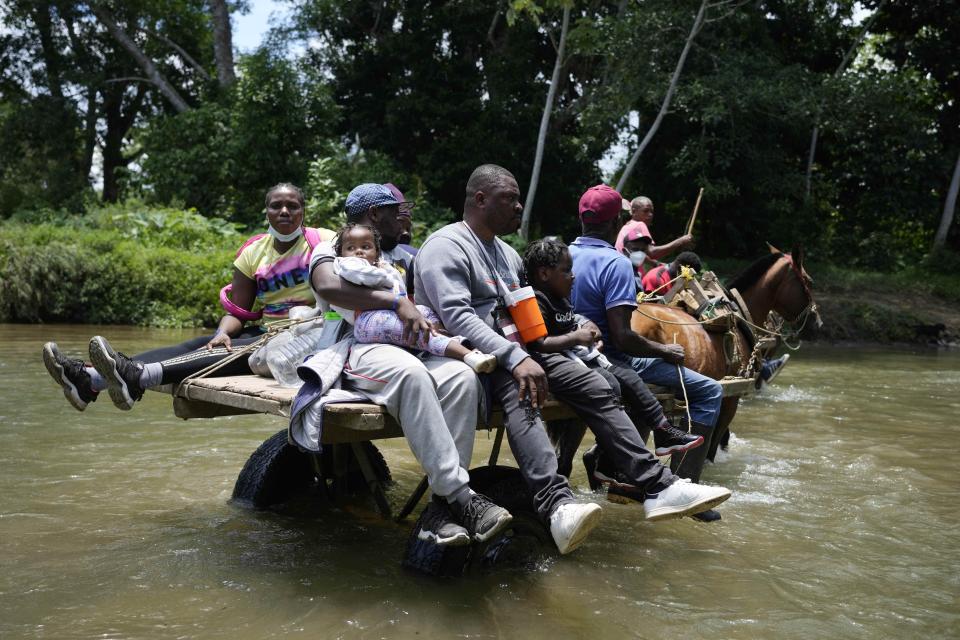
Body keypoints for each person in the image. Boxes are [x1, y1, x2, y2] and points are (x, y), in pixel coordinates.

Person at [415, 165, 731, 551]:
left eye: (518, 199)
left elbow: (540, 306)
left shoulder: (508, 254)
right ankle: (555, 503)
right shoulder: (445, 247)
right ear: (480, 200)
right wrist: (515, 358)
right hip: (475, 357)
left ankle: (657, 485)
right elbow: (458, 319)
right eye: (509, 199)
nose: (518, 207)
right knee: (524, 388)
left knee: (599, 382)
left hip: (522, 350)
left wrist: (577, 329)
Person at [310, 182, 513, 547]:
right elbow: (327, 287)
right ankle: (462, 498)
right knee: (411, 374)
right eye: (396, 210)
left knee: (460, 377)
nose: (404, 216)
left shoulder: (395, 255)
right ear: (375, 214)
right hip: (355, 345)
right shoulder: (332, 248)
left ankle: (439, 509)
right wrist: (394, 303)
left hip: (404, 343)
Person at [42, 183, 336, 412]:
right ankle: (92, 380)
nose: (284, 211)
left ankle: (107, 380)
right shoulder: (253, 253)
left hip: (302, 336)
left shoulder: (322, 241)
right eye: (277, 206)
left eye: (292, 206)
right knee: (198, 344)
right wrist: (222, 332)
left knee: (227, 352)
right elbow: (239, 312)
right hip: (265, 331)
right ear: (267, 212)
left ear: (303, 212)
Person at [569, 184, 727, 522]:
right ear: (616, 226)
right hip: (612, 359)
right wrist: (664, 349)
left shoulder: (562, 255)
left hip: (570, 356)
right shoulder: (616, 263)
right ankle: (685, 486)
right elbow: (624, 338)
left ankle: (624, 468)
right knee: (711, 390)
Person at [523, 237, 703, 459]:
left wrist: (587, 328)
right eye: (567, 270)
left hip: (581, 355)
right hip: (563, 360)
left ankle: (663, 429)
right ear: (544, 274)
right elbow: (539, 343)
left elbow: (572, 319)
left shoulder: (562, 297)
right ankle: (613, 451)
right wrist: (577, 337)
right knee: (610, 384)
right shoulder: (538, 301)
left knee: (629, 376)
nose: (573, 275)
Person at [330, 222, 496, 373]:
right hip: (367, 320)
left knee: (426, 312)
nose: (358, 252)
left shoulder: (380, 265)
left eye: (366, 246)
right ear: (341, 253)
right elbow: (364, 276)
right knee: (416, 331)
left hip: (389, 313)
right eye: (351, 248)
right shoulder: (346, 265)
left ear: (376, 251)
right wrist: (386, 273)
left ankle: (443, 339)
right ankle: (466, 354)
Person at [615, 196, 694, 273]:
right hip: (628, 272)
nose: (650, 215)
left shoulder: (628, 226)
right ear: (634, 211)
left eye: (651, 211)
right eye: (646, 211)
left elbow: (638, 252)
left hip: (618, 270)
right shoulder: (640, 225)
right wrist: (681, 241)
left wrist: (655, 263)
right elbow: (652, 252)